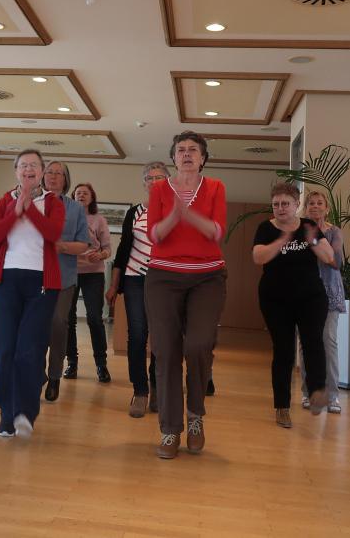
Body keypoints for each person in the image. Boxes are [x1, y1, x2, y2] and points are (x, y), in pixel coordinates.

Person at [146, 131, 226, 459]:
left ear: (203, 158)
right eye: (181, 150)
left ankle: (195, 416)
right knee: (165, 351)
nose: (188, 154)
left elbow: (215, 233)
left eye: (194, 150)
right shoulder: (159, 189)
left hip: (207, 277)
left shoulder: (215, 188)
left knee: (198, 344)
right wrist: (174, 214)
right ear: (173, 157)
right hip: (163, 277)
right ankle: (169, 429)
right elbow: (156, 234)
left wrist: (186, 213)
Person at [0, 149, 64, 438]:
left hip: (42, 285)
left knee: (29, 352)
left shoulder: (54, 202)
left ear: (42, 172)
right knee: (5, 351)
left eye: (34, 166)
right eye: (23, 165)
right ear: (16, 171)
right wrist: (15, 210)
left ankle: (25, 413)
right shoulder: (4, 201)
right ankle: (7, 414)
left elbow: (54, 234)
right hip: (5, 281)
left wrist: (28, 207)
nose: (29, 169)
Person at [253, 183, 334, 429]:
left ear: (296, 204)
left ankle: (318, 391)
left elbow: (329, 257)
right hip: (275, 300)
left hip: (310, 298)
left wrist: (312, 241)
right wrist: (283, 240)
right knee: (284, 350)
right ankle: (282, 407)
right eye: (276, 204)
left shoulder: (309, 227)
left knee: (313, 343)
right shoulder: (265, 228)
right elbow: (258, 257)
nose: (280, 208)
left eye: (285, 203)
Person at [106, 162, 165, 417]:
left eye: (159, 177)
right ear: (144, 183)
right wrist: (114, 284)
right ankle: (140, 391)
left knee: (161, 339)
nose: (154, 182)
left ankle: (156, 386)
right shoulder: (134, 213)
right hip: (134, 280)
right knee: (138, 335)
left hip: (164, 281)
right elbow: (122, 251)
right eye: (149, 178)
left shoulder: (174, 211)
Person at [42, 161, 89, 402]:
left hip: (63, 277)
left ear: (65, 179)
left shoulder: (76, 209)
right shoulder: (33, 203)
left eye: (58, 173)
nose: (52, 176)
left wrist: (62, 247)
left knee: (58, 322)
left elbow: (84, 244)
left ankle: (54, 376)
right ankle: (35, 372)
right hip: (33, 276)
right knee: (34, 324)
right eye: (49, 172)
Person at [299, 190, 346, 414]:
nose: (315, 206)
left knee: (329, 341)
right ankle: (308, 392)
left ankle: (333, 395)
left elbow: (335, 260)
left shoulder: (334, 231)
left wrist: (317, 242)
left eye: (320, 203)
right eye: (311, 203)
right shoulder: (298, 230)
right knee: (305, 343)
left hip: (329, 291)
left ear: (327, 208)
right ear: (305, 208)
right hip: (304, 292)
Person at [66, 183, 112, 383]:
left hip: (93, 273)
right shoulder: (67, 218)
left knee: (94, 318)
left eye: (85, 193)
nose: (81, 195)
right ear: (73, 197)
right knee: (68, 319)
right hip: (70, 271)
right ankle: (72, 363)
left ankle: (101, 365)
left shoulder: (99, 219)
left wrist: (101, 254)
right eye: (78, 193)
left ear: (92, 198)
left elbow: (108, 249)